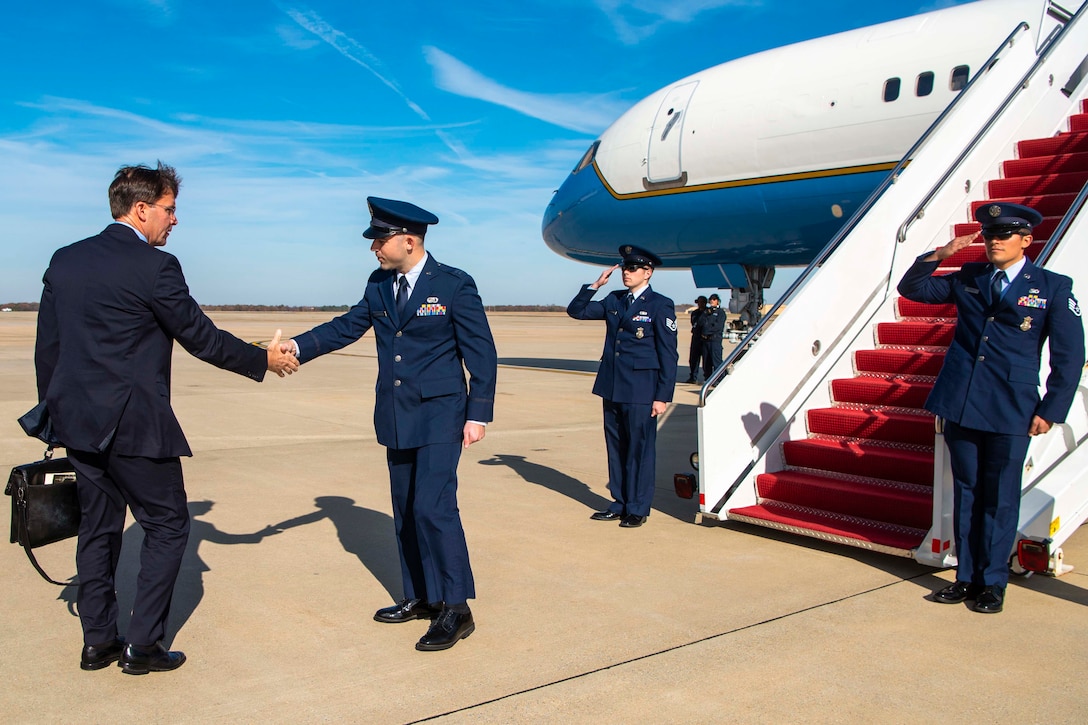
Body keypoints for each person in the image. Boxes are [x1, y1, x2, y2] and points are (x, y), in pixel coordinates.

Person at [34, 162, 299, 674]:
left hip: (78, 424)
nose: (174, 221)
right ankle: (143, 645)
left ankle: (97, 641)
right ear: (141, 209)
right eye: (169, 209)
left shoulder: (64, 261)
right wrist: (261, 359)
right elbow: (200, 336)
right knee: (170, 525)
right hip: (135, 427)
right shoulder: (156, 267)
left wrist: (57, 409)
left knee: (97, 529)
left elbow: (50, 348)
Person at [284, 197, 497, 652]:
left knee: (433, 508)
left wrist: (478, 413)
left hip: (442, 414)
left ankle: (456, 608)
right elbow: (347, 327)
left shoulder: (454, 285)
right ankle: (421, 596)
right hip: (398, 415)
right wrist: (298, 347)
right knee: (404, 509)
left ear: (408, 240)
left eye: (380, 239)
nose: (374, 248)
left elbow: (482, 352)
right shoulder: (379, 284)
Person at [897, 202, 1084, 613]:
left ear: (1026, 240)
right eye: (989, 235)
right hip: (963, 400)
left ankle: (993, 583)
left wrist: (1051, 410)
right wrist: (940, 256)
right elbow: (913, 290)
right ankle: (966, 577)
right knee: (966, 493)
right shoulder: (969, 277)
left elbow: (1069, 357)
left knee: (999, 497)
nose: (994, 242)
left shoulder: (1052, 286)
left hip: (1012, 407)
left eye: (1003, 235)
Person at [567, 245, 679, 528]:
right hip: (612, 386)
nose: (626, 273)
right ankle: (618, 502)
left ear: (648, 272)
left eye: (632, 269)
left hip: (642, 390)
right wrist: (595, 285)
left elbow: (668, 354)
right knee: (616, 449)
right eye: (624, 268)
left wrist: (662, 395)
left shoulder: (660, 304)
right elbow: (577, 311)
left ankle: (638, 508)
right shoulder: (614, 299)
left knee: (639, 451)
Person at [701, 293, 726, 380]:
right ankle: (707, 378)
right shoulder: (707, 312)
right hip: (706, 341)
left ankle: (719, 379)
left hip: (715, 340)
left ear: (718, 301)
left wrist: (707, 331)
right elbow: (701, 323)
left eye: (714, 299)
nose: (712, 301)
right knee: (706, 362)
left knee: (716, 361)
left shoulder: (721, 313)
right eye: (711, 299)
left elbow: (718, 326)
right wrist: (705, 314)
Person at [686, 295, 708, 383]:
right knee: (693, 359)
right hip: (696, 337)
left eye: (702, 302)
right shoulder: (695, 313)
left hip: (705, 338)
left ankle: (707, 376)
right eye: (699, 302)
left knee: (706, 360)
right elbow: (695, 323)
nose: (700, 304)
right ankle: (693, 376)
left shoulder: (707, 312)